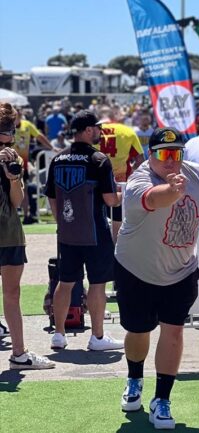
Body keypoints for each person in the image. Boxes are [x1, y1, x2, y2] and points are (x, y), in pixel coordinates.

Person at [115, 127, 199, 430]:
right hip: (136, 269)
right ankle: (135, 378)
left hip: (181, 270)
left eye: (176, 153)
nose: (170, 161)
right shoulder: (138, 180)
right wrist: (174, 191)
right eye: (163, 154)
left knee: (174, 332)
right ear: (151, 155)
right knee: (138, 331)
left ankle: (162, 399)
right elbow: (154, 199)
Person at [45, 110, 124, 352]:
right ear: (88, 130)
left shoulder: (57, 159)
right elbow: (110, 200)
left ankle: (59, 334)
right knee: (98, 283)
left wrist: (63, 222)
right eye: (97, 128)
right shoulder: (99, 159)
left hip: (67, 233)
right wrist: (124, 194)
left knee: (65, 282)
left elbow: (52, 198)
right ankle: (97, 337)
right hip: (95, 231)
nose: (100, 132)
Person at [0, 103, 54, 370]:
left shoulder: (12, 158)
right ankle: (19, 353)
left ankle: (19, 353)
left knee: (12, 293)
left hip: (8, 233)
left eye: (10, 129)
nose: (9, 135)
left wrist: (13, 177)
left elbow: (18, 200)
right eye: (6, 130)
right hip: (8, 235)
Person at [97, 106, 145, 242]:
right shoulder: (128, 131)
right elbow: (140, 160)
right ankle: (116, 251)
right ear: (115, 117)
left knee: (98, 218)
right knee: (118, 220)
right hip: (121, 184)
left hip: (97, 183)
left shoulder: (93, 132)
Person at [14, 109, 55, 224]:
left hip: (22, 164)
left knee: (24, 189)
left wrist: (52, 148)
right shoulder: (4, 126)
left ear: (20, 115)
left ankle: (26, 215)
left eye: (18, 115)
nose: (15, 117)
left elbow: (39, 136)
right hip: (6, 162)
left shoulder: (27, 125)